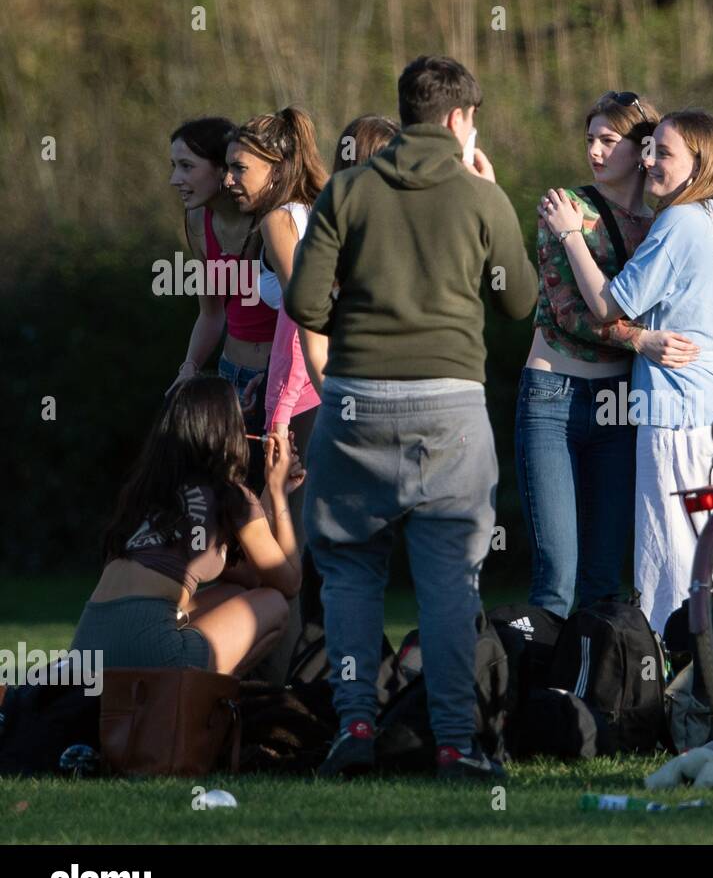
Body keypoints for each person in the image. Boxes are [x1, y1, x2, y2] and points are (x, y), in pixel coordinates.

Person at [285, 56, 536, 779]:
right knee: (451, 581)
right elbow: (519, 301)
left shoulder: (348, 189)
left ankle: (356, 725)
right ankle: (455, 741)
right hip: (451, 408)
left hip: (354, 404)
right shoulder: (480, 196)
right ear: (459, 119)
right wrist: (493, 196)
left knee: (349, 572)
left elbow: (304, 304)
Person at [520, 91, 713, 620]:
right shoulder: (567, 208)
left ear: (641, 149)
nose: (594, 151)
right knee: (558, 572)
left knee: (604, 573)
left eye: (608, 140)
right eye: (589, 139)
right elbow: (566, 312)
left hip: (621, 403)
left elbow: (680, 303)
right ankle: (547, 676)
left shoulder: (667, 218)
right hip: (555, 395)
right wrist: (638, 340)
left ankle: (602, 671)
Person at [71, 376, 301, 674]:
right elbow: (288, 583)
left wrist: (268, 490)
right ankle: (195, 700)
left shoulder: (145, 492)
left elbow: (253, 576)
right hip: (150, 651)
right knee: (274, 604)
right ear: (226, 431)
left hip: (87, 650)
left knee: (233, 594)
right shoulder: (229, 495)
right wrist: (278, 491)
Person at [220, 106, 329, 684]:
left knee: (285, 552)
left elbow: (305, 315)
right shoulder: (316, 211)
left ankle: (279, 688)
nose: (229, 179)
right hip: (313, 395)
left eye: (240, 168)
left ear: (278, 166)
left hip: (303, 403)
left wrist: (282, 415)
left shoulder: (279, 221)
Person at [166, 117, 277, 490]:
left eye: (187, 166)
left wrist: (279, 376)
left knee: (275, 494)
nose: (175, 179)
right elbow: (211, 314)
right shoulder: (198, 220)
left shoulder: (272, 220)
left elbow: (305, 314)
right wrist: (189, 367)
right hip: (230, 379)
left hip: (274, 381)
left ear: (222, 168)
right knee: (227, 496)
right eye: (174, 166)